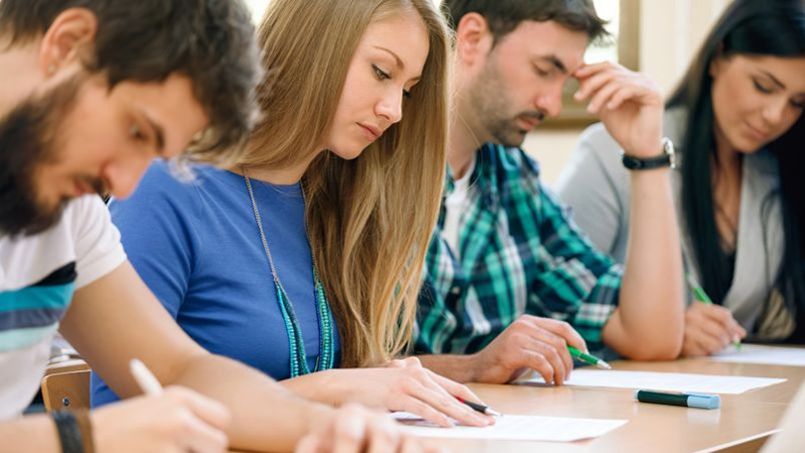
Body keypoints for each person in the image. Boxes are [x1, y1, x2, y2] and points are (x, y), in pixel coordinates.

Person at [0, 1, 425, 451]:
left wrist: (320, 426)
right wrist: (88, 438)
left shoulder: (69, 206)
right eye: (138, 132)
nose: (123, 186)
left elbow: (180, 368)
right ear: (67, 45)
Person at [90, 0, 493, 430]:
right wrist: (335, 389)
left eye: (407, 90)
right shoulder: (167, 187)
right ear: (314, 47)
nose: (394, 110)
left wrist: (376, 382)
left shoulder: (339, 202)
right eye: (381, 72)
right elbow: (121, 414)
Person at [413, 0, 685, 385]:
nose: (553, 105)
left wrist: (646, 155)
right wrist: (473, 368)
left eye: (566, 81)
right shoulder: (372, 164)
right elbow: (333, 364)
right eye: (544, 70)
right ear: (472, 38)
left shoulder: (514, 181)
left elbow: (651, 336)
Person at [556, 0, 805, 356]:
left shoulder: (776, 172)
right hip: (616, 392)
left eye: (797, 102)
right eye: (763, 86)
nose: (775, 115)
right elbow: (546, 299)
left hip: (722, 393)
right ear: (718, 57)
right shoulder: (610, 150)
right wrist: (659, 325)